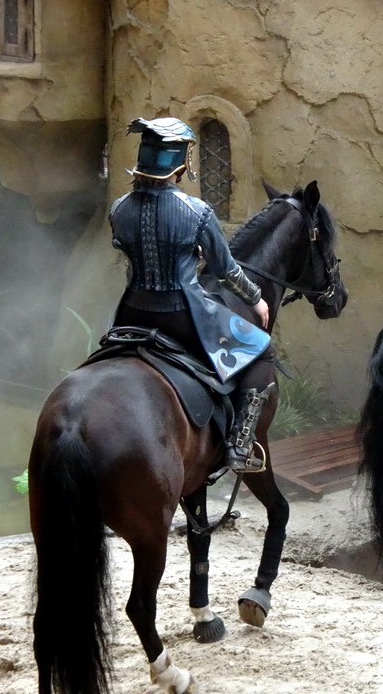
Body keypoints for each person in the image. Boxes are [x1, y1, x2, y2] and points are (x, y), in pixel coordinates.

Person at [108, 116, 272, 472]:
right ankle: (241, 447)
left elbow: (129, 252)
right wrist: (256, 298)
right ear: (182, 163)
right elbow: (226, 269)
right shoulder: (197, 211)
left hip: (131, 312)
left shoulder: (118, 207)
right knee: (261, 351)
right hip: (183, 315)